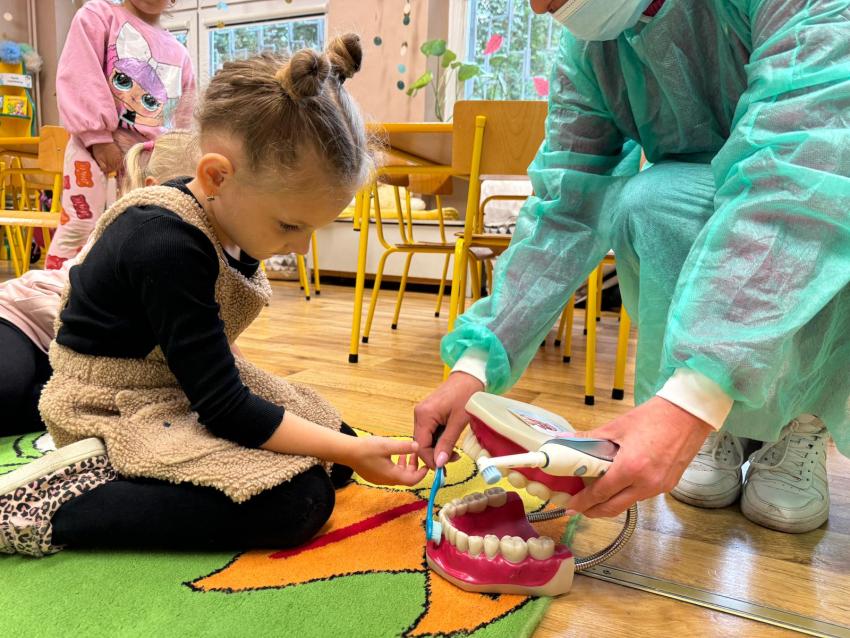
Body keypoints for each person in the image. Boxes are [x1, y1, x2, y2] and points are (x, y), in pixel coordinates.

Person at [414, 0, 850, 534]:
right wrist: (475, 366)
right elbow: (567, 205)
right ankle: (724, 418)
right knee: (654, 201)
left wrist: (692, 399)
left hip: (830, 181)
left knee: (828, 203)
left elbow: (800, 172)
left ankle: (801, 419)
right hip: (719, 192)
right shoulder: (590, 49)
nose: (538, 6)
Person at [0, 35, 428, 558]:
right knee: (300, 501)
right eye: (290, 225)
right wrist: (347, 450)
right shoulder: (165, 243)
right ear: (216, 176)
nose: (301, 247)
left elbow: (210, 351)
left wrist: (344, 447)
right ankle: (48, 506)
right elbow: (225, 408)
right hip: (110, 399)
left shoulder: (228, 213)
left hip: (168, 379)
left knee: (335, 448)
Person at [0, 130, 198, 437]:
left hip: (72, 357)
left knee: (116, 406)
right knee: (7, 389)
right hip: (24, 321)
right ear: (154, 191)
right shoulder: (137, 230)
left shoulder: (201, 254)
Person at [44, 0, 195, 270]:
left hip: (147, 162)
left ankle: (116, 292)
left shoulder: (180, 54)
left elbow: (182, 118)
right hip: (93, 150)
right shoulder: (98, 16)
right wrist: (99, 139)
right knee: (80, 226)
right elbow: (81, 74)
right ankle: (56, 289)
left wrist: (176, 162)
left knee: (137, 234)